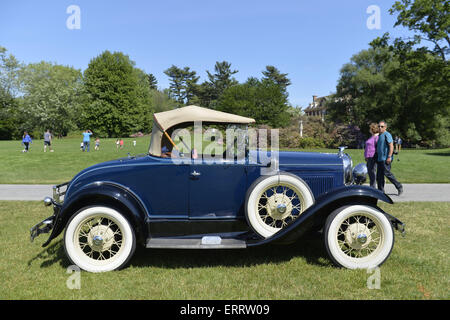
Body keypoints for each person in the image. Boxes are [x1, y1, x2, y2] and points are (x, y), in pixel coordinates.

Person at [376, 121, 403, 196]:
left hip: (386, 159)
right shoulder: (379, 136)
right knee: (379, 176)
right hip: (380, 159)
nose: (380, 128)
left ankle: (399, 186)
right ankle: (380, 192)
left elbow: (391, 146)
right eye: (379, 126)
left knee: (387, 174)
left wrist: (389, 157)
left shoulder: (387, 134)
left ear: (385, 127)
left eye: (382, 126)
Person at [364, 123, 379, 188]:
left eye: (370, 128)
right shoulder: (372, 136)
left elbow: (377, 148)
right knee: (370, 173)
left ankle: (373, 187)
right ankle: (372, 186)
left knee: (372, 173)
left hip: (373, 157)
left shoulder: (377, 137)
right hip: (369, 157)